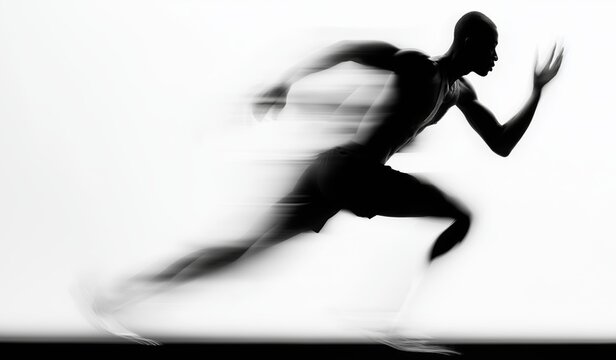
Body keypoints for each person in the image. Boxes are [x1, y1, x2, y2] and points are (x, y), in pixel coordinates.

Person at [87, 11, 563, 353]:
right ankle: (388, 323)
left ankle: (117, 299)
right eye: (491, 45)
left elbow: (501, 143)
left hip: (334, 173)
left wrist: (536, 93)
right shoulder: (420, 66)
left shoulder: (459, 93)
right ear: (466, 42)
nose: (497, 56)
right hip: (350, 169)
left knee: (243, 249)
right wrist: (285, 83)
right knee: (459, 215)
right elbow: (348, 51)